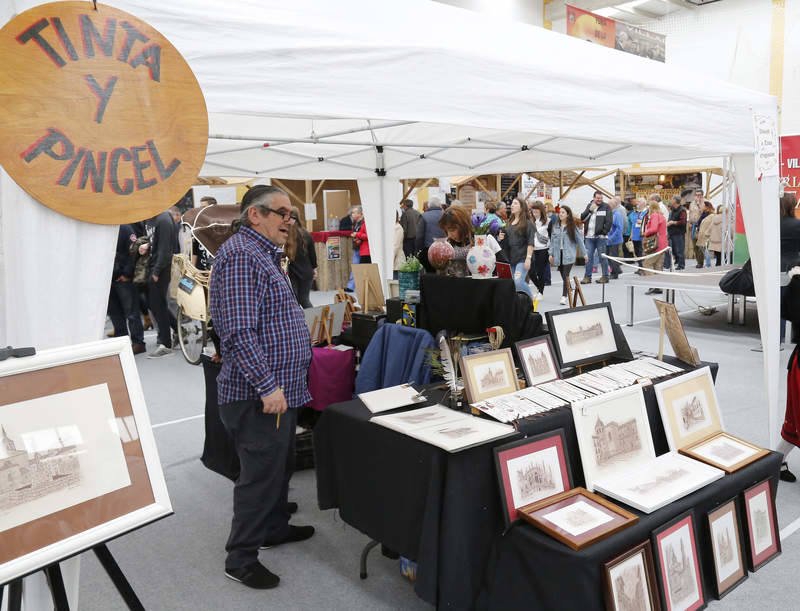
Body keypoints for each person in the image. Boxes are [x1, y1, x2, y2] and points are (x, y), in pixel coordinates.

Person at [209, 185, 314, 590]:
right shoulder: (240, 256)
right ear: (255, 215)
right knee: (259, 477)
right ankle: (240, 558)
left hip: (277, 393)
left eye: (290, 214)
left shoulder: (261, 254)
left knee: (278, 467)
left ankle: (272, 528)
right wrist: (269, 386)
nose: (290, 221)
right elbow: (237, 332)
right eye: (282, 213)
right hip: (259, 395)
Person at [145, 209, 179, 358]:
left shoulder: (163, 218)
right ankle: (177, 330)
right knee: (155, 305)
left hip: (161, 268)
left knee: (157, 305)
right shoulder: (150, 217)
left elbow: (165, 249)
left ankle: (165, 342)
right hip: (153, 266)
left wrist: (156, 272)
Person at [108, 224, 145, 354]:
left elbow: (133, 252)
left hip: (123, 278)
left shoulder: (124, 228)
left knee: (132, 313)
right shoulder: (101, 228)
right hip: (108, 278)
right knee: (115, 313)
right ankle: (120, 343)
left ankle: (138, 342)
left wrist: (127, 274)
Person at [549, 206, 586, 305]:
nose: (560, 214)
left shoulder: (572, 227)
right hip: (558, 254)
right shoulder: (555, 226)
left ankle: (564, 296)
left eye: (563, 212)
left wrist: (584, 254)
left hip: (569, 255)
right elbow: (552, 242)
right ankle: (569, 288)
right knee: (563, 274)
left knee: (565, 275)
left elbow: (580, 241)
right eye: (560, 212)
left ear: (568, 214)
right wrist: (550, 253)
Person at [498, 197, 535, 297]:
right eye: (512, 203)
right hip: (511, 258)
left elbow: (530, 242)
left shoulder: (527, 223)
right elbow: (505, 244)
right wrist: (501, 238)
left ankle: (531, 300)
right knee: (513, 284)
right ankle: (520, 304)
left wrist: (528, 258)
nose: (512, 205)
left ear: (522, 207)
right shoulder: (508, 224)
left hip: (523, 258)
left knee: (518, 282)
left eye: (515, 203)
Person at [286, 206, 317, 309]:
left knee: (295, 300)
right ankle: (313, 322)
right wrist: (314, 269)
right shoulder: (305, 233)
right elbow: (312, 254)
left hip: (292, 272)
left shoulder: (285, 234)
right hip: (306, 272)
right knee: (304, 300)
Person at [580, 191, 613, 284]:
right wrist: (589, 210)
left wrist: (604, 233)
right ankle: (587, 277)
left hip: (600, 237)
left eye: (601, 198)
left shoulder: (606, 207)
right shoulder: (589, 206)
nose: (599, 200)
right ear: (594, 198)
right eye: (598, 198)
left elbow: (609, 221)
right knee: (588, 257)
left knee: (602, 257)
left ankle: (605, 276)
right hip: (589, 237)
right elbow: (582, 218)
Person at [642, 200, 668, 294]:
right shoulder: (661, 216)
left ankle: (653, 286)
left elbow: (654, 228)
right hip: (663, 244)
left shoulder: (654, 216)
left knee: (647, 264)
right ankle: (659, 287)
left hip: (655, 244)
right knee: (658, 265)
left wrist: (645, 232)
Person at [527, 201, 550, 298]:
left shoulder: (548, 221)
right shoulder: (529, 220)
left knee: (541, 271)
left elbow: (552, 235)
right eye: (533, 209)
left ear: (541, 210)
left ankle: (541, 291)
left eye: (537, 209)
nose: (535, 211)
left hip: (543, 249)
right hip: (532, 248)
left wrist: (551, 251)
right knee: (530, 271)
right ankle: (539, 287)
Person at [606, 196, 625, 279]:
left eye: (608, 204)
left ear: (612, 205)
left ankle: (614, 273)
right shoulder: (610, 213)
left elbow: (619, 228)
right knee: (608, 256)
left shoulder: (617, 214)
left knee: (613, 256)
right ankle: (617, 269)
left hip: (614, 240)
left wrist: (612, 237)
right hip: (608, 239)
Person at [666, 195, 687, 270]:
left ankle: (681, 265)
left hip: (679, 233)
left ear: (675, 201)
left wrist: (673, 222)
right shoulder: (672, 210)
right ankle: (677, 262)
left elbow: (683, 222)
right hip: (671, 232)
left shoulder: (682, 210)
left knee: (680, 250)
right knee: (674, 249)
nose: (671, 201)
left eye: (672, 199)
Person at [693, 201, 713, 268]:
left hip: (705, 234)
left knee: (705, 249)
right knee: (702, 249)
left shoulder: (710, 215)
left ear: (707, 207)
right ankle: (705, 263)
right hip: (700, 233)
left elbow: (707, 224)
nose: (703, 207)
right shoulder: (703, 214)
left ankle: (708, 264)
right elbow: (699, 222)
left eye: (704, 206)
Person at [630, 198, 647, 267]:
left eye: (639, 202)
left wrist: (642, 221)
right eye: (637, 202)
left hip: (642, 234)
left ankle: (642, 267)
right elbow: (633, 223)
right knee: (637, 251)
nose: (637, 203)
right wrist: (631, 233)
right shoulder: (635, 212)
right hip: (635, 234)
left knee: (641, 251)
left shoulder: (646, 211)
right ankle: (640, 266)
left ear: (643, 203)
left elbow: (648, 221)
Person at [393, 211, 405, 279]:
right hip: (394, 261)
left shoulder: (398, 227)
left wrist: (390, 260)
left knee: (396, 284)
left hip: (397, 260)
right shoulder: (394, 227)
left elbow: (396, 245)